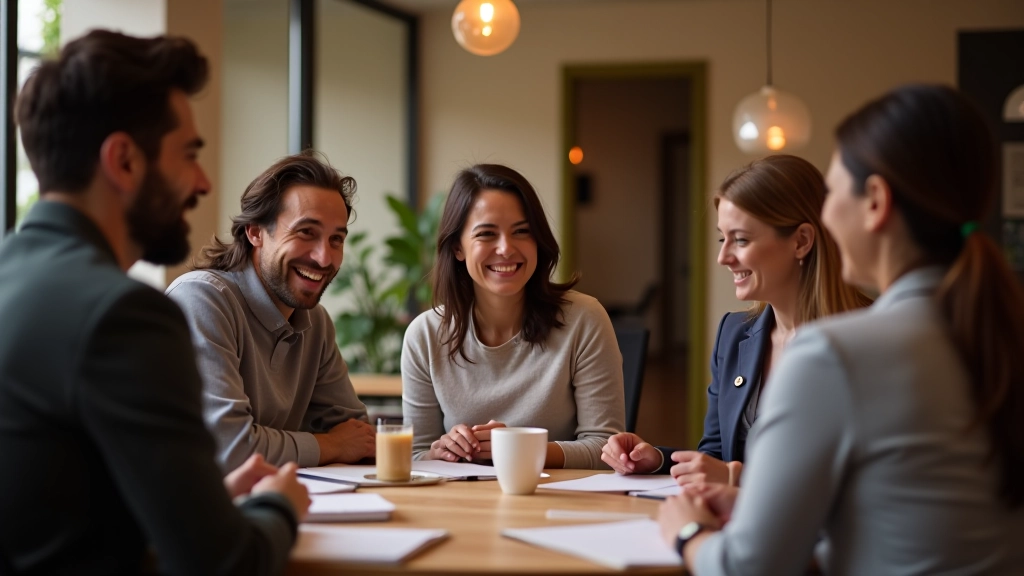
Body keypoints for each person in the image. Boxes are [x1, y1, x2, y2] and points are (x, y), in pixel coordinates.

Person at [659, 84, 1024, 574]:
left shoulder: (835, 354)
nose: (827, 215)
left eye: (833, 192)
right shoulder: (998, 333)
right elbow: (911, 529)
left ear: (875, 201)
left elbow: (746, 568)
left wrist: (686, 532)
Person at [0, 30, 310, 575]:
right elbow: (223, 565)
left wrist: (205, 499)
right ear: (123, 161)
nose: (204, 182)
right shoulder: (124, 316)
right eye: (189, 154)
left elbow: (52, 516)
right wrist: (278, 508)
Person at [602, 155, 870, 486]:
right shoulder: (734, 333)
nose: (723, 257)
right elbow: (715, 454)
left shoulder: (871, 339)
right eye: (722, 238)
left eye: (740, 239)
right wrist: (656, 460)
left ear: (801, 241)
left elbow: (863, 479)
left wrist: (735, 477)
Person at [402, 164, 624, 469]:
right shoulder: (424, 335)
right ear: (457, 247)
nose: (506, 248)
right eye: (487, 234)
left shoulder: (585, 319)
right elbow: (416, 457)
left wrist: (517, 448)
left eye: (522, 232)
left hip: (559, 503)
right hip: (461, 506)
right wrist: (440, 452)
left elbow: (606, 449)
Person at [166, 152, 374, 472]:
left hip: (279, 503)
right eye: (306, 232)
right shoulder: (202, 299)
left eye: (336, 239)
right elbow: (230, 448)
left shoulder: (315, 323)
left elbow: (358, 438)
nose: (324, 257)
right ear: (255, 233)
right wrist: (331, 444)